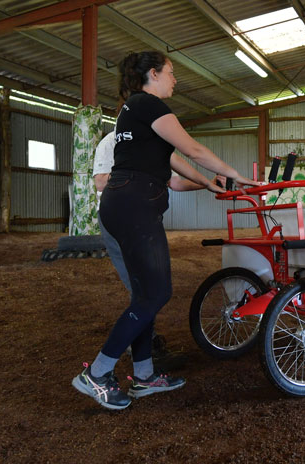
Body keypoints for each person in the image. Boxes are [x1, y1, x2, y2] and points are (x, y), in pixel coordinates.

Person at [73, 51, 262, 410]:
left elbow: (176, 171)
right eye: (172, 73)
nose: (176, 80)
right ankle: (97, 373)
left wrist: (211, 184)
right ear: (153, 74)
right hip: (134, 208)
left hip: (128, 205)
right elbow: (191, 148)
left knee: (146, 295)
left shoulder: (134, 113)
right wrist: (237, 175)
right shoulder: (148, 105)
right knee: (155, 294)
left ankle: (144, 376)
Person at [92, 131, 222, 370]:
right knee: (144, 289)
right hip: (122, 218)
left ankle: (144, 363)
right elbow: (100, 181)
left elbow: (174, 181)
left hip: (145, 218)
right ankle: (119, 361)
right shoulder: (112, 141)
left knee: (150, 289)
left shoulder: (154, 143)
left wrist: (206, 184)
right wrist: (139, 173)